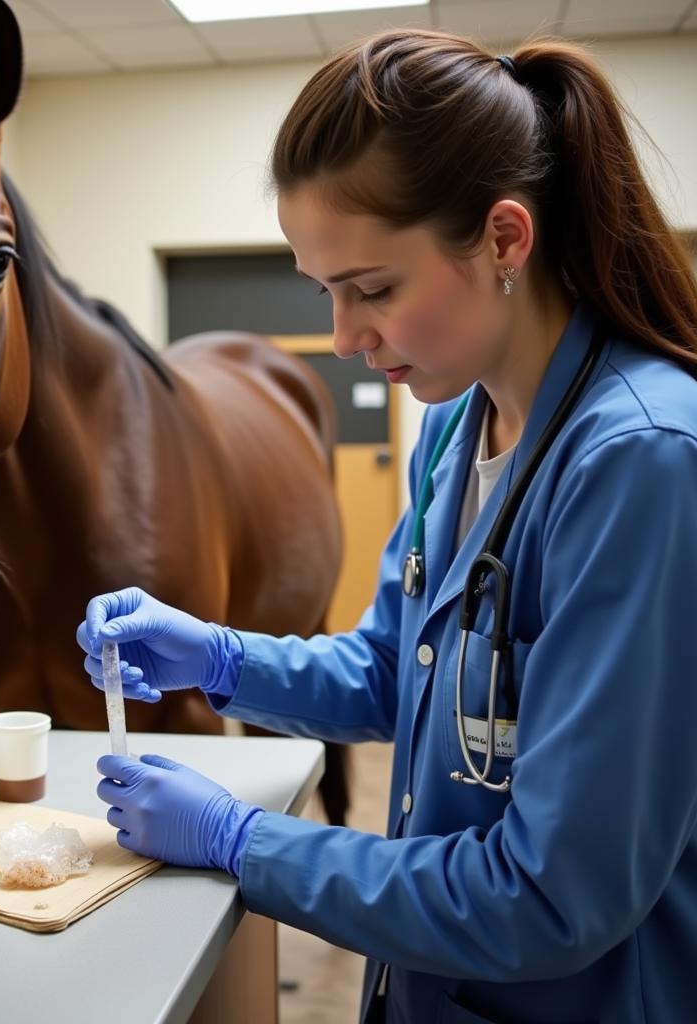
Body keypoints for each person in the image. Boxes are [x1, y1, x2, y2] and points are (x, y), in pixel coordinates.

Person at [77, 30, 697, 1024]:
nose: (341, 337)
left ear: (503, 238)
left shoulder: (640, 460)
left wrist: (246, 842)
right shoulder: (454, 427)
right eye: (325, 291)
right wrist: (218, 658)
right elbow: (388, 672)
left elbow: (548, 892)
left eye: (371, 289)